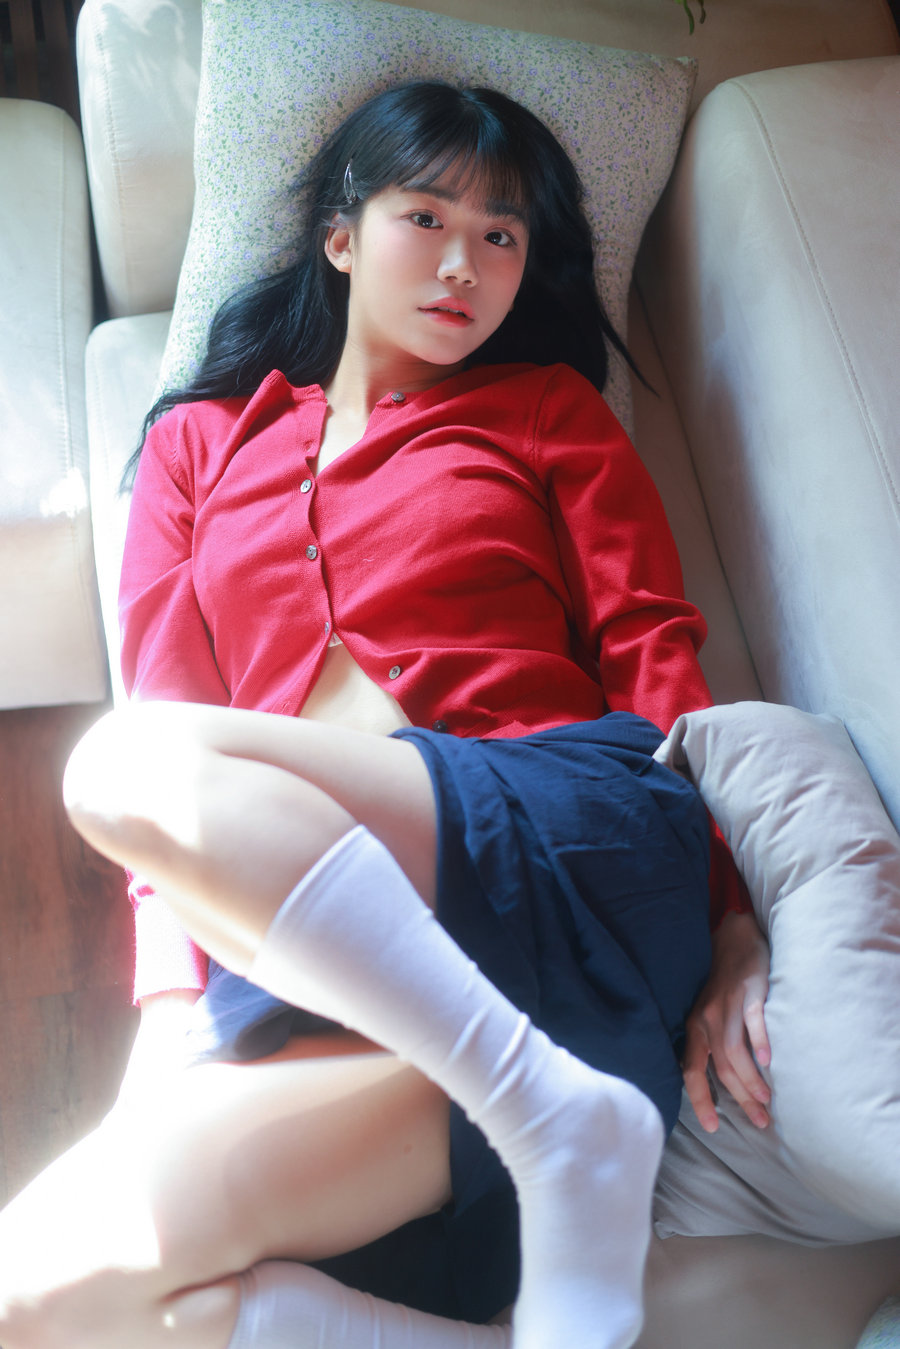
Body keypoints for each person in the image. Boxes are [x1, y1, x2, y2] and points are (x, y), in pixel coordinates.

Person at [0, 81, 772, 1349]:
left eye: (503, 235)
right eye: (427, 217)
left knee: (117, 765)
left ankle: (550, 1110)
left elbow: (654, 654)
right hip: (354, 966)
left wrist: (735, 915)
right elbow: (179, 708)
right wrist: (172, 1032)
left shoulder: (551, 411)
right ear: (340, 233)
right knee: (40, 1291)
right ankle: (557, 1141)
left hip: (559, 856)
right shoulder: (195, 446)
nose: (465, 263)